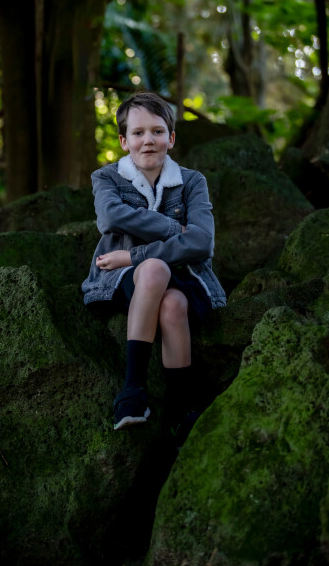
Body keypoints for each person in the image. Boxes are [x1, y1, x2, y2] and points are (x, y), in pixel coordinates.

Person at [81, 92, 226, 443]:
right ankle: (133, 388)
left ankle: (182, 409)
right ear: (124, 141)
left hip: (179, 274)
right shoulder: (107, 177)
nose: (148, 140)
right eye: (138, 132)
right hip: (123, 277)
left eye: (158, 131)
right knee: (154, 270)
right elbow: (110, 217)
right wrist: (174, 228)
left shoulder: (192, 181)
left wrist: (134, 255)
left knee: (173, 304)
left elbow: (202, 242)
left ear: (171, 138)